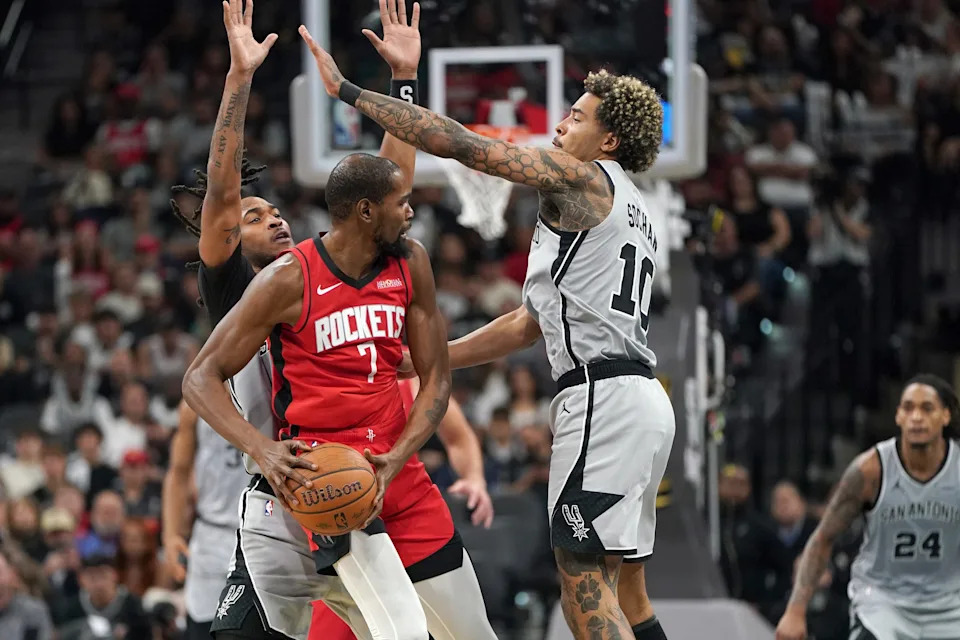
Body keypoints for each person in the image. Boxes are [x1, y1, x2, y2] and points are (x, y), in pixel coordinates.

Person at [301, 20, 674, 640]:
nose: (561, 125)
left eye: (576, 118)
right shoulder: (633, 205)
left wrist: (352, 91)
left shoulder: (583, 179)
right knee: (626, 585)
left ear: (607, 140)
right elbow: (528, 325)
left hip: (602, 397)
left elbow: (467, 147)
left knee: (580, 575)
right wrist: (430, 360)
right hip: (641, 400)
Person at [182, 2, 497, 639]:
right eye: (252, 217)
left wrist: (404, 83)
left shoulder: (365, 258)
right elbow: (219, 199)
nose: (270, 218)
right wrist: (239, 80)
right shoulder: (247, 286)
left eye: (273, 210)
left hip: (346, 477)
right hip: (278, 480)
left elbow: (389, 186)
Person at [776, 374, 960, 640]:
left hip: (950, 608)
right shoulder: (870, 470)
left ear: (945, 416)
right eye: (908, 408)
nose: (916, 417)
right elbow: (823, 537)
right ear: (898, 416)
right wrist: (795, 611)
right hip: (884, 605)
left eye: (926, 408)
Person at [161, 400, 249, 640]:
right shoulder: (194, 403)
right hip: (213, 532)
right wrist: (170, 535)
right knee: (203, 629)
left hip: (264, 530)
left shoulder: (275, 384)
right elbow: (178, 471)